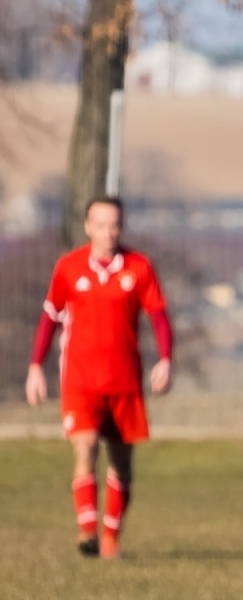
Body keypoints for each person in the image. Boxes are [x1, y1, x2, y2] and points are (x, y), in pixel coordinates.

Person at [26, 197, 173, 560]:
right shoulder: (68, 267)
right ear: (87, 226)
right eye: (101, 224)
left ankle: (110, 539)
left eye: (115, 225)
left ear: (121, 227)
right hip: (80, 382)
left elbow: (158, 317)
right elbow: (49, 318)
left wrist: (166, 359)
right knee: (85, 446)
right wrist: (35, 366)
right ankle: (87, 531)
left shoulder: (139, 267)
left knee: (122, 464)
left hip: (124, 383)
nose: (108, 232)